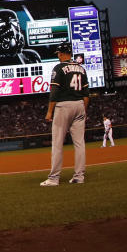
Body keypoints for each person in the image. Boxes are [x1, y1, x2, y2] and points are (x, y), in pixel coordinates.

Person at [41, 42, 89, 186]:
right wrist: (83, 110)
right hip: (80, 105)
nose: (58, 56)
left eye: (58, 53)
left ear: (61, 53)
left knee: (57, 144)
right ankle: (79, 176)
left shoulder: (59, 67)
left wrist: (49, 112)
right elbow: (86, 95)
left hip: (64, 106)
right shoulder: (81, 68)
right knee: (80, 144)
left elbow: (54, 91)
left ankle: (54, 178)